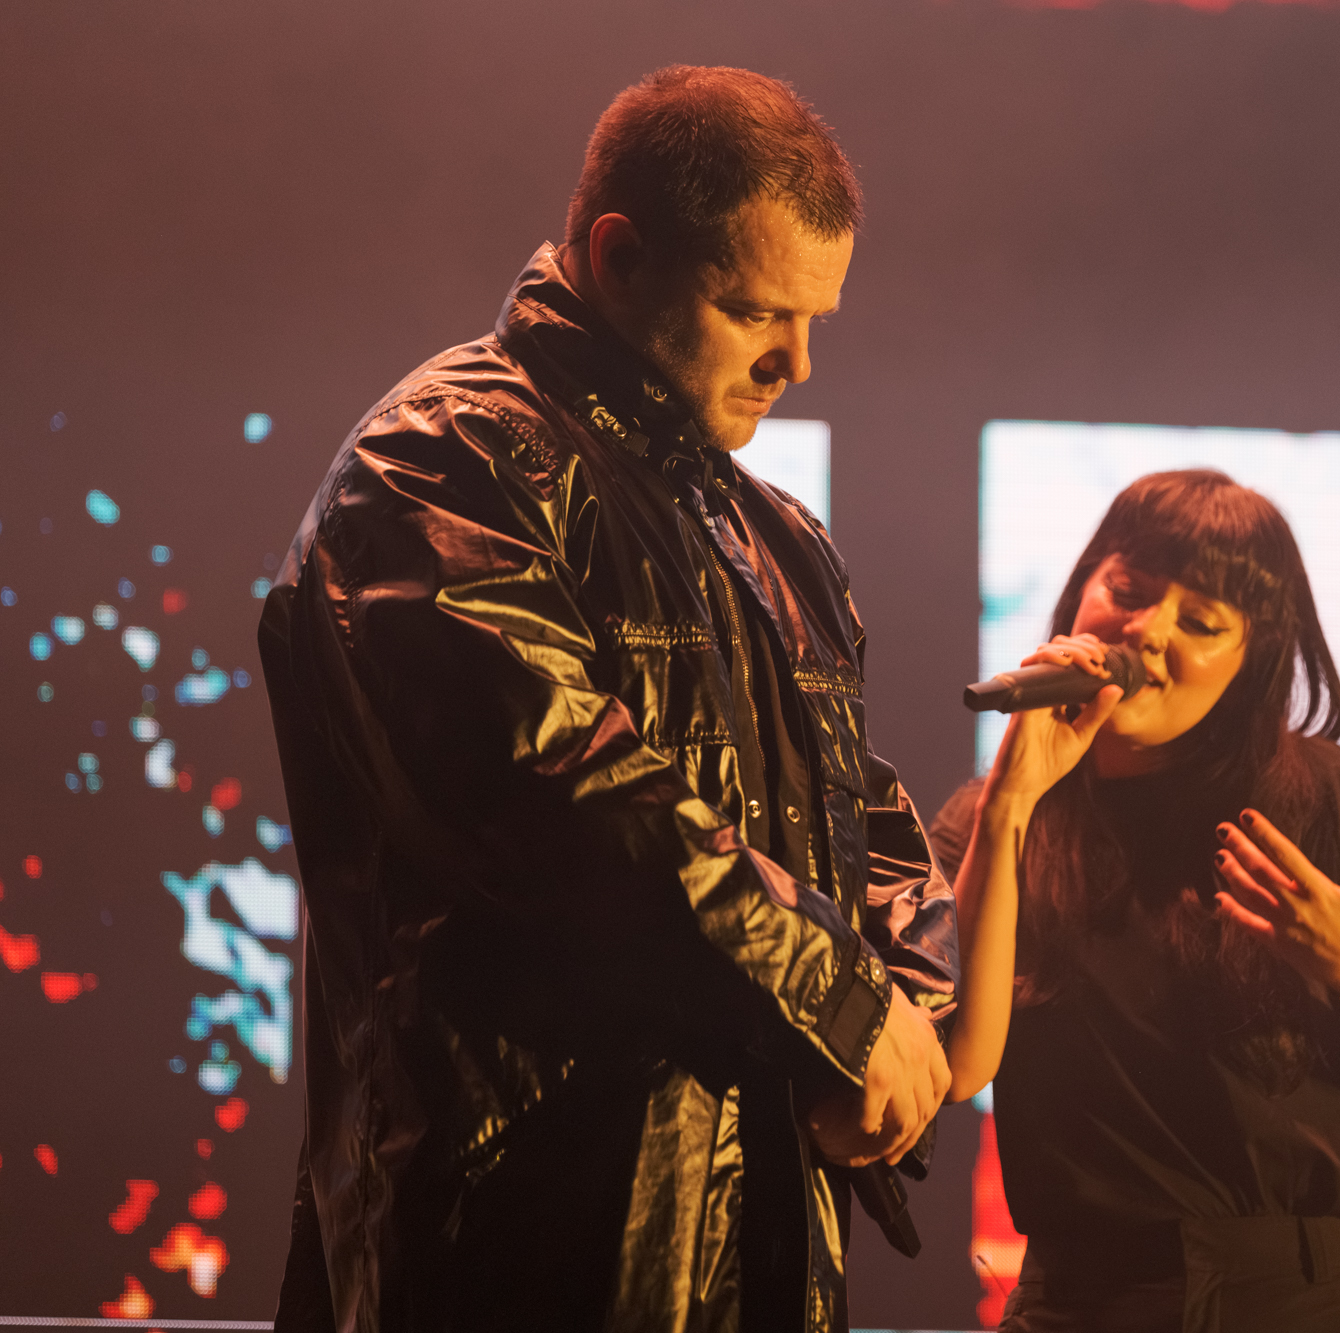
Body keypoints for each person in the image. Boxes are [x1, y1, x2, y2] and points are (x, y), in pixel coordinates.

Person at [258, 66, 956, 1333]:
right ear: (619, 256)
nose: (796, 361)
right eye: (754, 310)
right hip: (512, 1256)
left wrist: (911, 1012)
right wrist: (846, 1010)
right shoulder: (437, 463)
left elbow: (869, 824)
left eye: (814, 318)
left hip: (768, 1253)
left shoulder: (778, 540)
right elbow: (563, 800)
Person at [930, 470, 1340, 1333]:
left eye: (1200, 623)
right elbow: (963, 1066)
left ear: (1249, 659)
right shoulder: (992, 823)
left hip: (1311, 1298)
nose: (1148, 633)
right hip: (1083, 1301)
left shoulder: (1314, 800)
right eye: (1128, 592)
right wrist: (1011, 801)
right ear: (1081, 591)